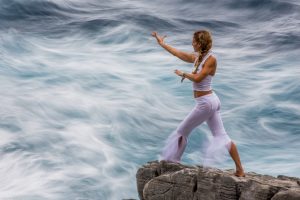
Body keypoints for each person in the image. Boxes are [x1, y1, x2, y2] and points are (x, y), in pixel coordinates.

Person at [151, 30, 245, 177]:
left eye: (194, 41)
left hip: (206, 103)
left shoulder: (211, 59)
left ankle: (173, 161)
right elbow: (178, 54)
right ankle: (240, 170)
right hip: (210, 101)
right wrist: (162, 44)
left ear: (200, 43)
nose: (192, 43)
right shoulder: (198, 57)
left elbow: (198, 78)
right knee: (221, 136)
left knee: (181, 132)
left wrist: (184, 74)